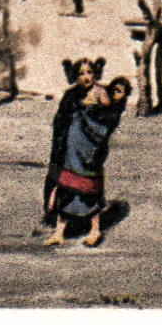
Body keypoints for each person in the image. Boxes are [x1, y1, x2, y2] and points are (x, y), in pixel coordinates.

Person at [46, 75, 131, 247]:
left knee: (90, 193)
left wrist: (87, 110)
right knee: (66, 189)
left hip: (92, 156)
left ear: (125, 94)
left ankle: (95, 231)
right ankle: (58, 232)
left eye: (120, 91)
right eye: (114, 89)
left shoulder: (114, 111)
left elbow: (101, 129)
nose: (116, 93)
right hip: (74, 154)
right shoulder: (101, 102)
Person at [43, 58, 99, 227]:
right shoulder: (71, 95)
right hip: (67, 146)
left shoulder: (99, 95)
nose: (86, 77)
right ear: (75, 76)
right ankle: (55, 215)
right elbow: (61, 121)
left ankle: (80, 218)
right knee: (62, 179)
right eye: (81, 73)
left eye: (90, 72)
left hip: (87, 148)